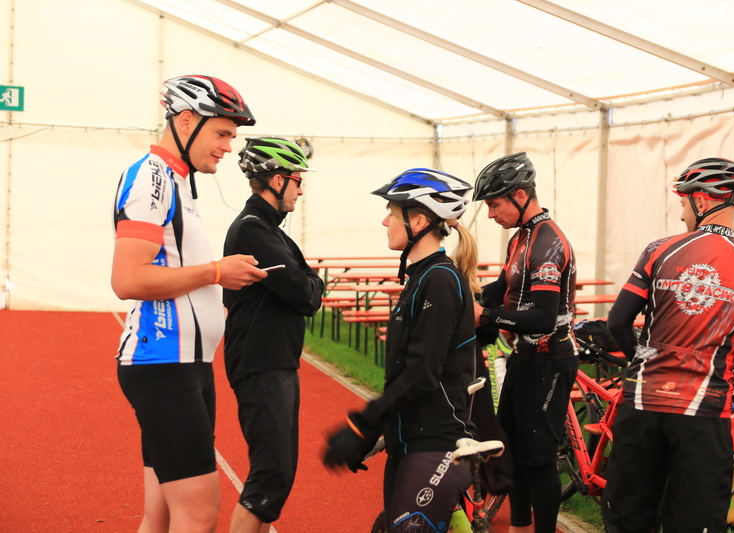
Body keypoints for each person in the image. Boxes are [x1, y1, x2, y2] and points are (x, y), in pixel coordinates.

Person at [601, 157, 734, 533]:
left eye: (683, 203)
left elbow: (617, 323)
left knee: (628, 519)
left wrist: (642, 362)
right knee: (694, 523)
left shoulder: (659, 250)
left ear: (702, 201)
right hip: (704, 414)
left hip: (643, 405)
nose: (681, 215)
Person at [111, 75, 263, 533]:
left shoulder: (176, 179)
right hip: (164, 363)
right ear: (185, 120)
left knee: (159, 516)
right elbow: (128, 279)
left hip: (186, 363)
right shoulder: (152, 177)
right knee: (197, 515)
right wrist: (217, 272)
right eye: (222, 133)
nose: (228, 147)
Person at [323, 168, 480, 532]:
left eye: (392, 213)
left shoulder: (439, 280)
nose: (385, 222)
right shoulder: (422, 277)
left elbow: (422, 374)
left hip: (435, 443)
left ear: (419, 221)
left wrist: (362, 424)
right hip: (410, 441)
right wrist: (377, 431)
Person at [472, 151, 579, 533]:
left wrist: (485, 316)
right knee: (511, 450)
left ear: (520, 196)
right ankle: (519, 527)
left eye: (494, 204)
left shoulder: (548, 243)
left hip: (550, 361)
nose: (490, 214)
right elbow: (501, 288)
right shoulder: (521, 238)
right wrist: (461, 295)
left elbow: (543, 317)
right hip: (524, 357)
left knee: (539, 459)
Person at [222, 137, 324, 533]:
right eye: (298, 181)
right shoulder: (253, 229)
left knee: (276, 474)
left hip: (275, 362)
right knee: (271, 475)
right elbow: (306, 293)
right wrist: (309, 282)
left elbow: (307, 284)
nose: (301, 190)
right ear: (277, 181)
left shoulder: (270, 231)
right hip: (261, 363)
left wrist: (308, 282)